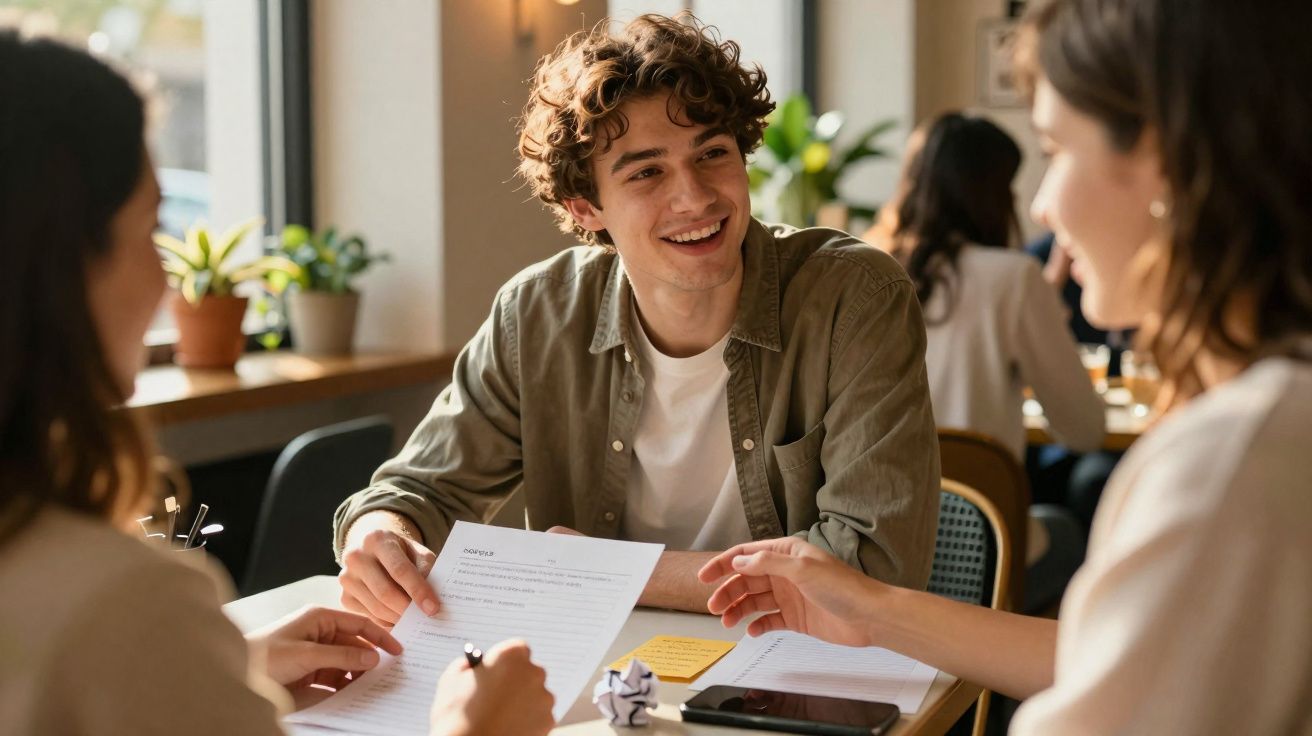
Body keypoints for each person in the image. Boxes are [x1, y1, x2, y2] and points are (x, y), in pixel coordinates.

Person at [699, 0, 1312, 732]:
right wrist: (871, 609)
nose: (1045, 207)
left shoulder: (1231, 458)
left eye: (1056, 151)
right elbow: (1104, 654)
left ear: (1168, 161)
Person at [0, 32, 554, 736]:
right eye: (151, 229)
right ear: (57, 271)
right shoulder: (126, 602)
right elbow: (415, 491)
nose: (169, 280)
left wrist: (220, 676)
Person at [333, 13, 940, 622]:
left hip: (797, 670)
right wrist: (379, 533)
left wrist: (604, 573)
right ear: (586, 205)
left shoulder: (853, 296)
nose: (696, 197)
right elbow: (416, 491)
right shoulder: (537, 314)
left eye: (713, 153)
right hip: (602, 673)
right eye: (647, 171)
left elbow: (871, 568)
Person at [865, 112, 1104, 461]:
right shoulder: (1013, 278)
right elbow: (1085, 430)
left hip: (877, 512)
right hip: (984, 511)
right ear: (991, 194)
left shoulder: (868, 268)